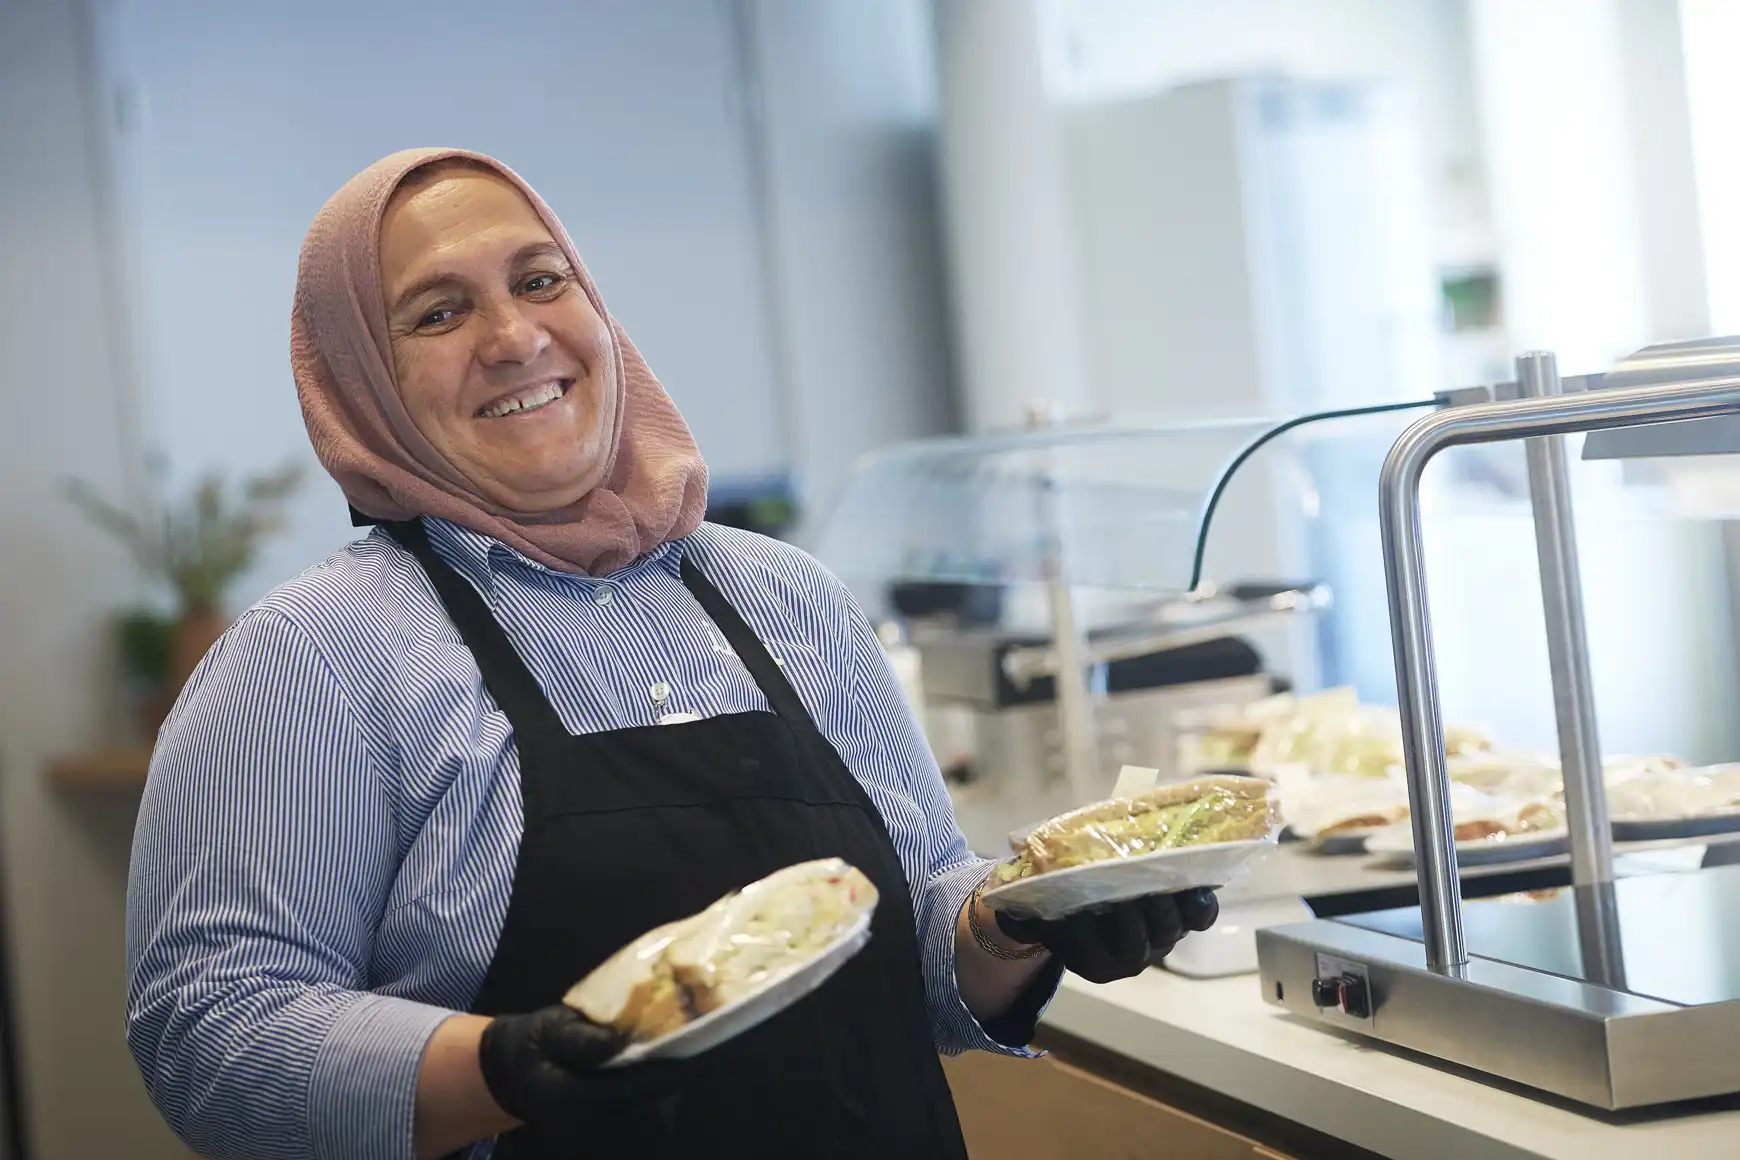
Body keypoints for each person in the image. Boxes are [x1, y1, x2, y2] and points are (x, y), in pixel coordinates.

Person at [124, 147, 1220, 1160]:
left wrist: (1019, 919)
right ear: (362, 378)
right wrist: (501, 1067)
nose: (512, 336)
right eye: (438, 311)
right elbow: (211, 1029)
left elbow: (921, 957)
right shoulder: (311, 659)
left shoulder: (784, 594)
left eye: (542, 279)